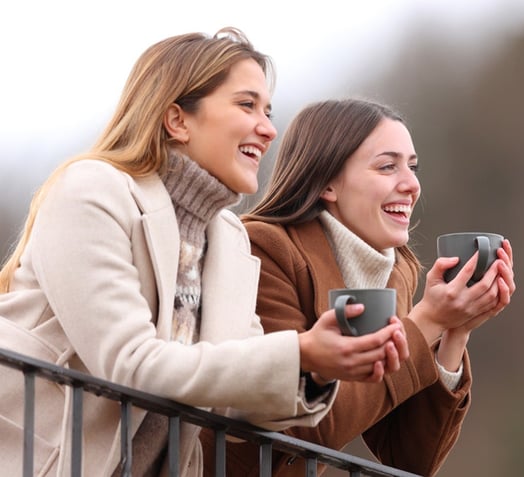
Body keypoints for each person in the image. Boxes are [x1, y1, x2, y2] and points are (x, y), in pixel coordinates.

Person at [0, 29, 408, 477]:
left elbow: (237, 399)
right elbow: (130, 365)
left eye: (268, 111)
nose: (269, 128)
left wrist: (318, 368)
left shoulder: (228, 238)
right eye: (246, 105)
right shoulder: (92, 191)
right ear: (178, 120)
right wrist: (303, 352)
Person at [199, 98, 516, 476]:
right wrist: (427, 321)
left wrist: (454, 333)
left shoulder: (397, 274)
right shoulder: (264, 249)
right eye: (387, 167)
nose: (412, 185)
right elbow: (300, 427)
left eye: (413, 168)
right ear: (328, 183)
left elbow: (409, 459)